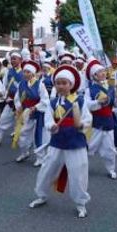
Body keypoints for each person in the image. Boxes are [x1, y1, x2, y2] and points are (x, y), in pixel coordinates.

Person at [28, 65, 92, 218]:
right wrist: (51, 126)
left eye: (65, 83)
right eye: (58, 83)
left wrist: (81, 125)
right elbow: (48, 119)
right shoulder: (52, 103)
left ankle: (80, 203)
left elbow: (88, 119)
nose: (61, 86)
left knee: (78, 173)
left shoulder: (81, 101)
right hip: (57, 141)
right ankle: (41, 195)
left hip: (75, 142)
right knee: (47, 169)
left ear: (71, 85)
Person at [85, 59, 117, 179]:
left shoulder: (110, 87)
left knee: (109, 149)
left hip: (108, 121)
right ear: (94, 75)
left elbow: (116, 105)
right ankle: (81, 167)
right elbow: (87, 105)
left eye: (103, 71)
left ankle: (111, 169)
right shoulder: (90, 90)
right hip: (96, 122)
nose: (103, 73)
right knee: (90, 147)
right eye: (100, 72)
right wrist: (98, 102)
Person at [12, 59, 49, 166]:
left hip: (37, 113)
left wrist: (36, 107)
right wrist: (18, 106)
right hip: (25, 113)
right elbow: (17, 98)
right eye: (24, 72)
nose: (25, 74)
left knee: (37, 136)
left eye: (28, 72)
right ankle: (24, 152)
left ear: (33, 73)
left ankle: (40, 157)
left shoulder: (39, 84)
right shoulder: (21, 84)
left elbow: (45, 99)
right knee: (22, 133)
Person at [0, 51, 23, 146]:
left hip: (20, 101)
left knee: (21, 123)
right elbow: (4, 85)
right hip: (10, 100)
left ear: (20, 60)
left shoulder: (24, 71)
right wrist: (4, 96)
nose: (12, 61)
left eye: (14, 59)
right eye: (11, 59)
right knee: (2, 120)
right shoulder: (8, 71)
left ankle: (21, 142)